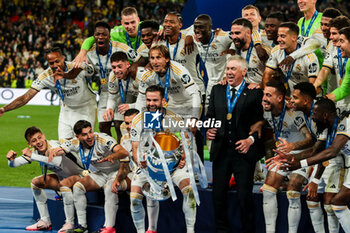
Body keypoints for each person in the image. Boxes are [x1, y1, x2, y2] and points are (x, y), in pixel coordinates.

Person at [272, 98, 350, 232]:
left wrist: (299, 164)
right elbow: (315, 151)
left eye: (315, 113)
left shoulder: (346, 123)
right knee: (337, 204)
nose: (312, 117)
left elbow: (331, 152)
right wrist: (291, 157)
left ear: (325, 115)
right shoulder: (327, 129)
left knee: (338, 203)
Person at [206, 55, 264, 233]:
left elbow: (262, 122)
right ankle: (221, 230)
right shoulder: (217, 90)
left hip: (243, 151)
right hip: (221, 151)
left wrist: (250, 140)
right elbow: (210, 116)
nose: (229, 72)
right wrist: (209, 129)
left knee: (244, 196)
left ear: (244, 72)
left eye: (233, 69)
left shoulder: (255, 92)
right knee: (218, 196)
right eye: (228, 69)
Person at [130, 85, 196, 233]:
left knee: (190, 192)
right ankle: (147, 231)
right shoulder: (138, 120)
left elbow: (186, 141)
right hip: (147, 166)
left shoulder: (175, 118)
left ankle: (191, 231)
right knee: (134, 199)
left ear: (163, 101)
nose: (151, 103)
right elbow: (135, 148)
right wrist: (141, 161)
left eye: (155, 100)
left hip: (173, 166)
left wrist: (183, 158)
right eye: (148, 100)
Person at [48, 120, 129, 233]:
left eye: (90, 132)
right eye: (85, 134)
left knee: (110, 188)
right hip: (101, 173)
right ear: (77, 136)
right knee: (78, 187)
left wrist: (113, 156)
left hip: (117, 171)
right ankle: (82, 226)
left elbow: (124, 152)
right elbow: (61, 149)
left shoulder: (102, 139)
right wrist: (54, 152)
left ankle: (109, 228)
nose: (89, 136)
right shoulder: (75, 142)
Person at [0, 47, 97, 141]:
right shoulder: (45, 76)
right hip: (66, 110)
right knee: (64, 146)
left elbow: (92, 70)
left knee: (85, 141)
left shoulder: (76, 66)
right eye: (51, 63)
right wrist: (4, 109)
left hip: (86, 107)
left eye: (57, 61)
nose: (55, 65)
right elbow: (25, 98)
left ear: (63, 58)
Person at [6, 126, 84, 232]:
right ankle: (45, 221)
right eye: (34, 140)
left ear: (44, 136)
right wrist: (11, 160)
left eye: (39, 138)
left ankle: (69, 223)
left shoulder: (54, 145)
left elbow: (55, 161)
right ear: (30, 144)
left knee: (64, 184)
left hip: (81, 176)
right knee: (36, 183)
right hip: (64, 180)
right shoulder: (35, 152)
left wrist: (32, 156)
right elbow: (14, 164)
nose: (38, 142)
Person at [261, 80, 313, 233]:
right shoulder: (266, 110)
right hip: (283, 155)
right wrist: (258, 124)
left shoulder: (294, 113)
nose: (264, 98)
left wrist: (292, 147)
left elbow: (310, 139)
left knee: (292, 189)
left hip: (302, 156)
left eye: (268, 95)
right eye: (264, 94)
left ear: (280, 98)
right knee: (268, 188)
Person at [85, 21, 140, 136]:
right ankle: (111, 149)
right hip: (106, 91)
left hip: (125, 88)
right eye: (97, 34)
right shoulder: (88, 52)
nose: (100, 37)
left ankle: (124, 148)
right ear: (94, 36)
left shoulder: (121, 48)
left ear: (109, 37)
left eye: (104, 34)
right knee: (103, 125)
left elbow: (139, 59)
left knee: (120, 124)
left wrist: (135, 66)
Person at [135, 45, 201, 123]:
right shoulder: (147, 75)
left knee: (189, 131)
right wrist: (137, 119)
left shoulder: (179, 70)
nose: (155, 62)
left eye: (158, 58)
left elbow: (195, 93)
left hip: (189, 102)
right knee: (168, 131)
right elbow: (141, 98)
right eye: (152, 58)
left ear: (167, 59)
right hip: (172, 104)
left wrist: (194, 117)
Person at [74, 7, 142, 67]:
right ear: (122, 23)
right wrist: (82, 53)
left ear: (138, 20)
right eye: (126, 23)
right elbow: (91, 39)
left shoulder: (147, 29)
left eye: (133, 22)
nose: (130, 26)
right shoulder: (116, 32)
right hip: (124, 69)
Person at [263, 22, 319, 95]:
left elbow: (314, 87)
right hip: (291, 96)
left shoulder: (309, 57)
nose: (278, 39)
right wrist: (268, 94)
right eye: (278, 36)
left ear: (294, 37)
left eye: (282, 36)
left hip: (308, 97)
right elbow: (267, 74)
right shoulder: (276, 50)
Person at [190, 14, 232, 110]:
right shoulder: (194, 38)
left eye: (201, 27)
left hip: (225, 82)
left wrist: (233, 49)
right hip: (211, 83)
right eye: (195, 27)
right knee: (207, 112)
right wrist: (188, 36)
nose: (197, 30)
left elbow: (239, 36)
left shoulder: (222, 37)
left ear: (210, 28)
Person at [103, 51, 141, 142]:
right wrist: (109, 108)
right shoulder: (113, 76)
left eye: (120, 66)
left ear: (128, 64)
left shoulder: (139, 75)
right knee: (122, 127)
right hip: (135, 100)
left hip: (147, 103)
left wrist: (130, 106)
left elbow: (148, 101)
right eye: (113, 67)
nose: (116, 71)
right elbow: (112, 97)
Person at [313, 15, 350, 96]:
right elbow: (325, 69)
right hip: (337, 99)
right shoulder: (332, 46)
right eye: (330, 33)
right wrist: (315, 86)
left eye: (334, 33)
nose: (330, 37)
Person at [230, 18, 270, 85]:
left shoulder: (263, 51)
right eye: (232, 33)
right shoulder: (235, 51)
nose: (234, 37)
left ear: (248, 33)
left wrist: (260, 86)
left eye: (237, 33)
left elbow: (274, 76)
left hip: (261, 92)